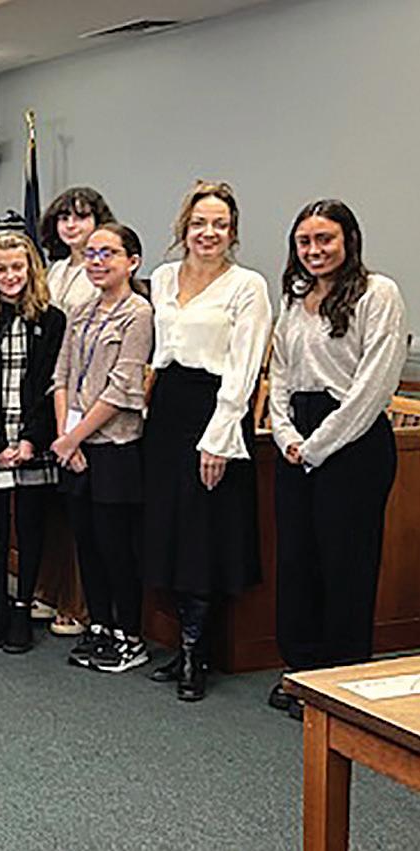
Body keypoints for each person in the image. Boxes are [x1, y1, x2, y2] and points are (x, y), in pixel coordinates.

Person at [268, 200, 407, 718]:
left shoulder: (378, 293)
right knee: (297, 561)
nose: (314, 250)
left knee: (345, 566)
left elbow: (373, 387)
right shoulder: (295, 296)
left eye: (324, 239)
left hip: (353, 444)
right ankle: (302, 673)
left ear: (348, 238)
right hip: (296, 440)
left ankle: (341, 683)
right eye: (304, 241)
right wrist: (285, 434)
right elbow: (280, 373)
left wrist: (317, 446)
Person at [143, 180, 271, 702]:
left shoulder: (247, 285)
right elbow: (160, 352)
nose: (208, 232)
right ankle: (181, 645)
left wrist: (218, 439)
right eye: (199, 223)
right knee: (169, 528)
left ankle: (198, 652)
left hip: (215, 410)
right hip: (167, 410)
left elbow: (244, 367)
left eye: (220, 224)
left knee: (203, 533)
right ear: (184, 227)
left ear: (233, 231)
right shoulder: (163, 277)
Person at [49, 224, 154, 674]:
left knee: (116, 546)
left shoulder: (139, 313)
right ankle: (100, 625)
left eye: (108, 253)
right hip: (74, 447)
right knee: (87, 544)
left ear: (132, 261)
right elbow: (62, 375)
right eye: (91, 254)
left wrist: (73, 437)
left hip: (113, 447)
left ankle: (129, 635)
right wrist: (65, 436)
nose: (97, 261)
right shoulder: (81, 310)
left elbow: (123, 388)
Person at [0, 231, 66, 654]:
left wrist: (31, 440)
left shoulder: (52, 320)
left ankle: (23, 607)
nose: (10, 276)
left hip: (33, 443)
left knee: (32, 529)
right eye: (1, 269)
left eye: (17, 267)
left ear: (31, 269)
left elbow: (52, 385)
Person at [36, 187, 116, 636]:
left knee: (84, 510)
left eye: (82, 217)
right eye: (64, 217)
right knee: (55, 506)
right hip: (56, 393)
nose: (71, 225)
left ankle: (81, 604)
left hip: (88, 404)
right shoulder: (57, 270)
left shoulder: (100, 272)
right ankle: (53, 589)